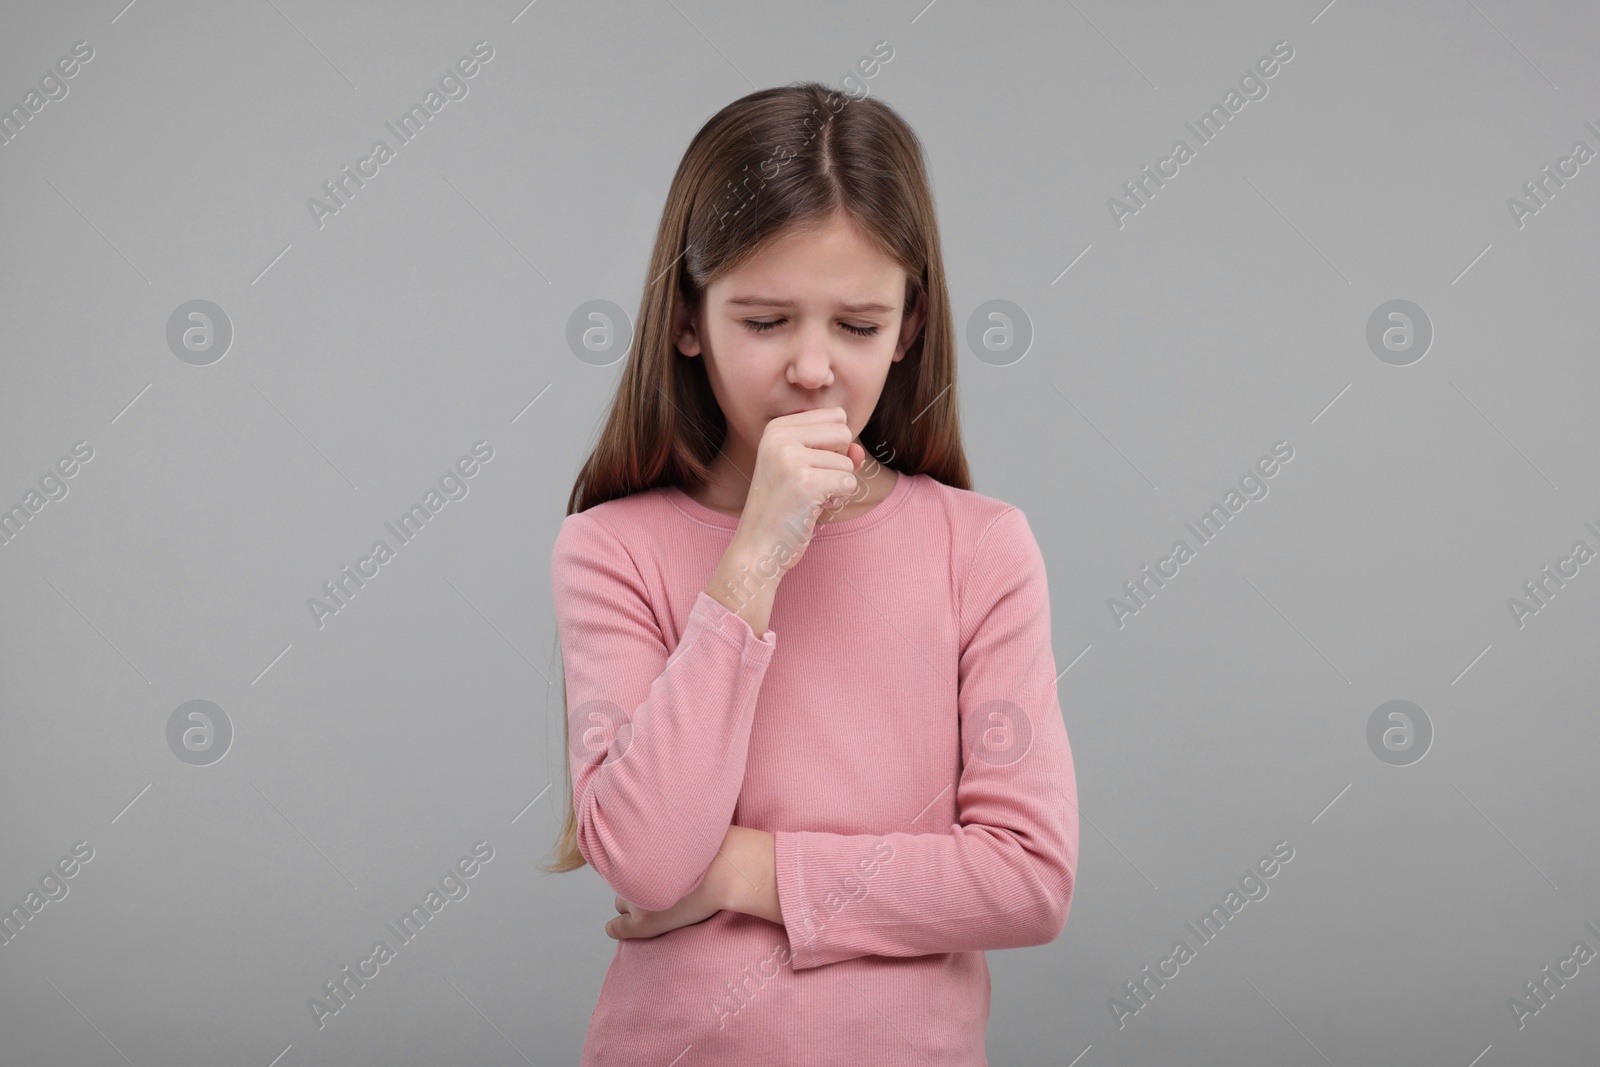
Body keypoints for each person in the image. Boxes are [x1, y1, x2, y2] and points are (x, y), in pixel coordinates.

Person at [545, 80, 1078, 1066]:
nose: (812, 367)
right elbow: (651, 858)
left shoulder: (982, 546)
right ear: (687, 319)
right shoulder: (610, 549)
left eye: (858, 326)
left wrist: (746, 869)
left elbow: (1028, 879)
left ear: (909, 328)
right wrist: (752, 556)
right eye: (763, 320)